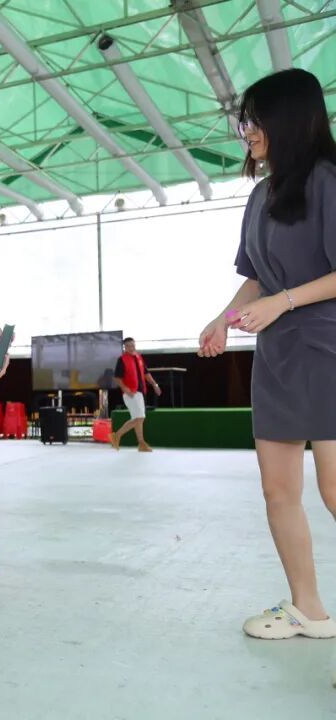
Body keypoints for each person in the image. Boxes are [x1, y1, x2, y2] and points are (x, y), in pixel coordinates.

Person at [199, 68, 336, 641]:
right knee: (278, 490)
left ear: (289, 119)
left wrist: (283, 301)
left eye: (255, 120)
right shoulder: (260, 196)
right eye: (244, 122)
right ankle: (309, 609)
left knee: (334, 489)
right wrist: (223, 319)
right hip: (277, 356)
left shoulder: (328, 180)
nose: (247, 132)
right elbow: (254, 277)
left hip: (327, 350)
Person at [110, 337, 161, 452]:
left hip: (139, 392)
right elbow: (117, 378)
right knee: (140, 418)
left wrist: (155, 384)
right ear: (125, 347)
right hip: (130, 393)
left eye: (133, 345)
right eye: (128, 346)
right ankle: (117, 436)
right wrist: (125, 388)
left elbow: (146, 373)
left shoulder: (139, 357)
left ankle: (141, 443)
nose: (131, 348)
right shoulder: (122, 360)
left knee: (138, 419)